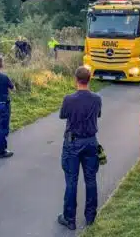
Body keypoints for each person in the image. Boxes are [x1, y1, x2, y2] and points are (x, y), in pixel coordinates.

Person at [57, 66, 102, 231]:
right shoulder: (97, 98)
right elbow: (98, 115)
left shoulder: (69, 99)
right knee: (91, 179)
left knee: (71, 181)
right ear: (89, 79)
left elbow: (63, 115)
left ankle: (69, 218)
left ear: (76, 79)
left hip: (73, 143)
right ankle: (90, 216)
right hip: (91, 142)